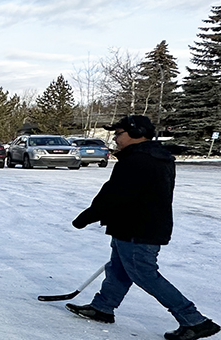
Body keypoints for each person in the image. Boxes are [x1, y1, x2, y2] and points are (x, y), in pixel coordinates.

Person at [66, 115, 217, 340]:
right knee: (119, 269)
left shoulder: (139, 160)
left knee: (144, 274)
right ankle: (103, 307)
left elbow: (115, 195)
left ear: (136, 133)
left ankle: (194, 320)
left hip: (139, 228)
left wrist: (87, 216)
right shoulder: (153, 156)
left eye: (119, 134)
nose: (115, 138)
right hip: (133, 225)